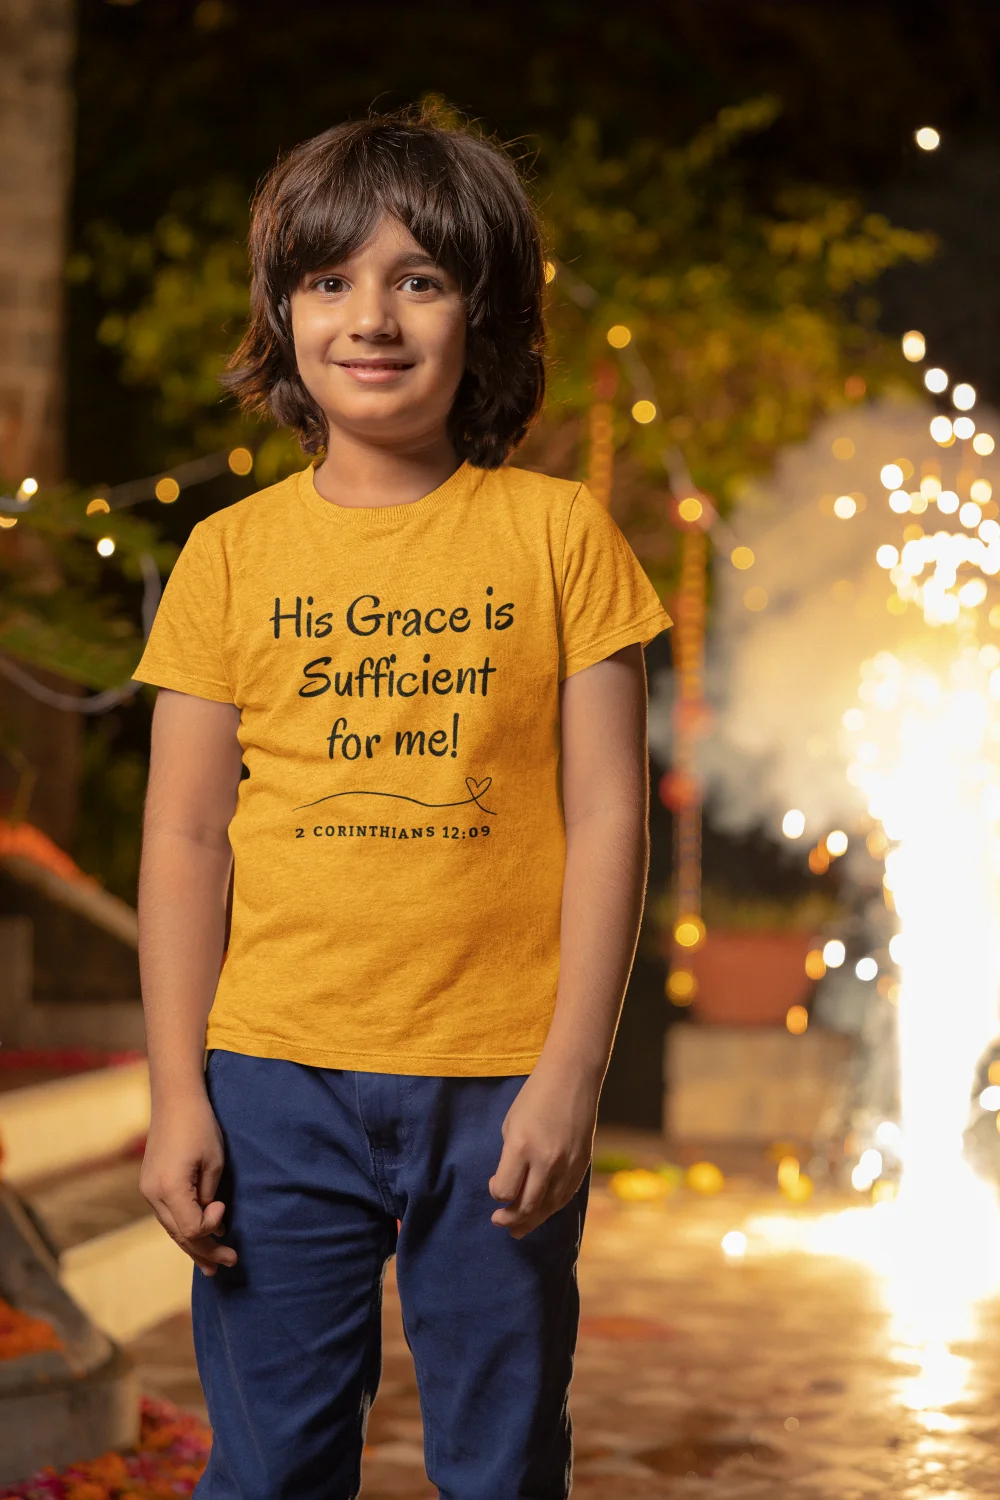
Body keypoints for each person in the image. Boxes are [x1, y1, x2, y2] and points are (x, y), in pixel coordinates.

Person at [134, 108, 671, 1500]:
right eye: (330, 280)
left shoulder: (560, 539)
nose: (371, 317)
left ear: (483, 313)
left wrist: (569, 1075)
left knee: (498, 1470)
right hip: (272, 1083)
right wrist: (176, 1091)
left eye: (419, 279)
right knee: (267, 1473)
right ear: (284, 312)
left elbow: (614, 816)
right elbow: (187, 836)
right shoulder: (227, 558)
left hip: (499, 1088)